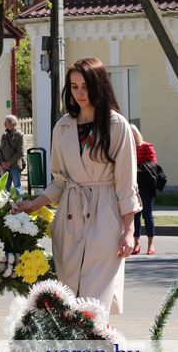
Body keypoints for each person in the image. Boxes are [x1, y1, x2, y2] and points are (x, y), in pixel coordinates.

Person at [17, 57, 141, 314]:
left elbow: (126, 183)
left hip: (105, 216)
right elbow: (60, 180)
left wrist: (129, 230)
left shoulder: (117, 125)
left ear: (99, 85)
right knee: (67, 299)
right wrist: (34, 204)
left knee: (95, 302)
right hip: (69, 220)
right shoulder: (62, 127)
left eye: (85, 86)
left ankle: (97, 341)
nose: (80, 93)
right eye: (74, 87)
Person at [131, 124, 157, 255]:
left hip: (146, 184)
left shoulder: (146, 146)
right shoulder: (126, 148)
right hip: (132, 184)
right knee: (135, 214)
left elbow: (153, 164)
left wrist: (138, 167)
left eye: (133, 133)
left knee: (147, 214)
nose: (131, 136)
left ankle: (151, 243)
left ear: (137, 134)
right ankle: (136, 243)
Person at [0, 114, 24, 195]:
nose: (4, 124)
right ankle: (6, 203)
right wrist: (2, 162)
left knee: (17, 188)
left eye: (6, 122)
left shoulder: (19, 135)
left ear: (12, 123)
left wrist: (9, 163)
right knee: (5, 189)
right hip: (5, 167)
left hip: (15, 166)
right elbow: (0, 150)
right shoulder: (4, 136)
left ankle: (20, 202)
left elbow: (20, 152)